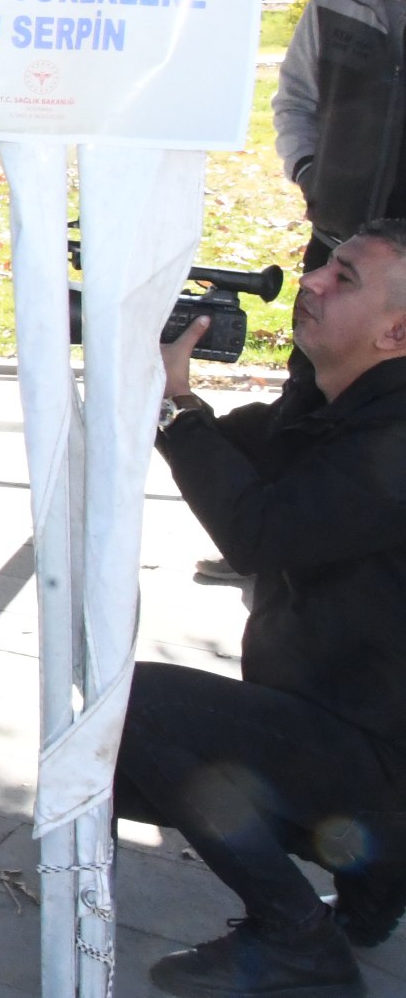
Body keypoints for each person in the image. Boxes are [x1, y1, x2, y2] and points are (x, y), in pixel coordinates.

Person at [118, 222, 406, 998]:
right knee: (126, 763)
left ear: (398, 330)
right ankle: (371, 898)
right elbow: (250, 457)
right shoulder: (342, 405)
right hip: (359, 732)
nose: (311, 281)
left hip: (384, 762)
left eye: (343, 279)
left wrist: (179, 406)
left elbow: (258, 530)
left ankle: (297, 939)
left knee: (132, 711)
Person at [273, 0, 406, 272]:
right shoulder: (333, 4)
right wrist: (308, 170)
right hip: (338, 239)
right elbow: (294, 100)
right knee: (319, 338)